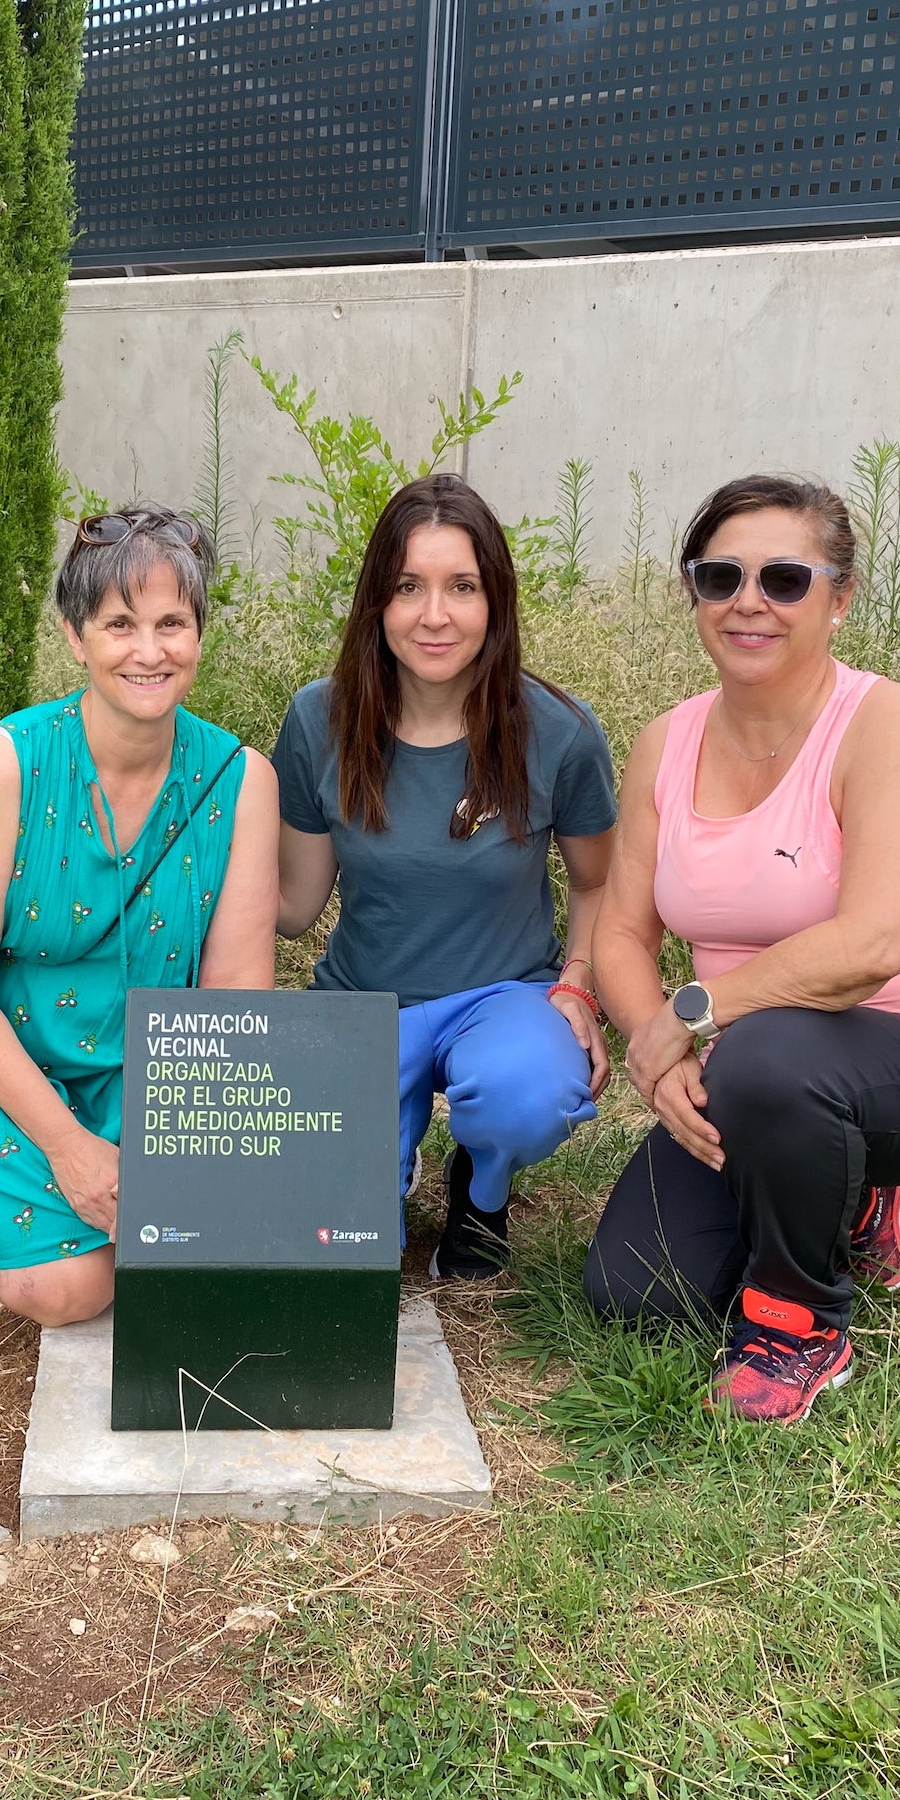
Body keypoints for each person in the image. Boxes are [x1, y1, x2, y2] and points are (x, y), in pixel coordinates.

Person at [584, 473, 900, 1423]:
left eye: (785, 579)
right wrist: (659, 1059)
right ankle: (844, 1202)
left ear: (840, 598)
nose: (750, 602)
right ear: (692, 593)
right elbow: (621, 929)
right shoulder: (667, 742)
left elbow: (873, 943)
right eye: (721, 577)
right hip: (755, 1071)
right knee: (638, 1291)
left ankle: (800, 1327)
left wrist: (692, 1014)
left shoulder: (887, 723)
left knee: (773, 1052)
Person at [0, 508, 279, 1326]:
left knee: (175, 1249)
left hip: (139, 1061)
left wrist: (210, 1175)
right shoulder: (4, 769)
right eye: (120, 624)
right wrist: (69, 1150)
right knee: (73, 1291)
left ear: (199, 632)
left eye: (172, 623)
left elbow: (236, 995)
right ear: (74, 635)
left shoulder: (242, 781)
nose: (149, 650)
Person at [274, 474, 618, 1280]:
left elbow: (601, 884)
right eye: (408, 587)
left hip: (503, 1000)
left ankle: (483, 1189)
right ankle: (382, 1169)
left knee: (523, 1092)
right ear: (375, 604)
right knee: (341, 1257)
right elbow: (293, 907)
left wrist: (577, 983)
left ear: (494, 599)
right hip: (363, 1008)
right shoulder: (318, 721)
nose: (435, 615)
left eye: (461, 586)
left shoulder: (558, 732)